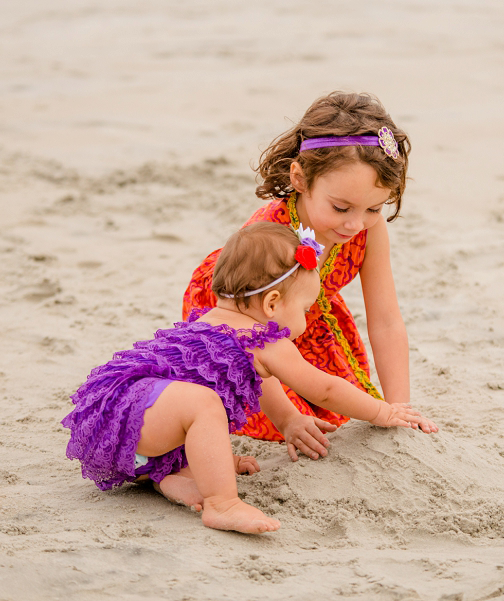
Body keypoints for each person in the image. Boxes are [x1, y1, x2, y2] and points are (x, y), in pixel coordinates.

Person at [62, 223, 425, 534]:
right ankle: (222, 503)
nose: (305, 316)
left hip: (116, 423)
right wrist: (382, 412)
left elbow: (256, 380)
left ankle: (170, 476)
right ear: (272, 304)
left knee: (198, 404)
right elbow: (325, 388)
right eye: (304, 308)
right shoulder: (267, 340)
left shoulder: (212, 322)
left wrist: (287, 420)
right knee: (202, 404)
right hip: (138, 412)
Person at [183, 91, 439, 462]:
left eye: (372, 207)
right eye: (340, 207)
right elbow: (250, 342)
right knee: (277, 420)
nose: (355, 224)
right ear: (301, 178)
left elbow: (385, 319)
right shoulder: (271, 237)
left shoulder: (368, 227)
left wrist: (399, 407)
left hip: (303, 318)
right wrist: (287, 419)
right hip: (243, 325)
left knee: (341, 409)